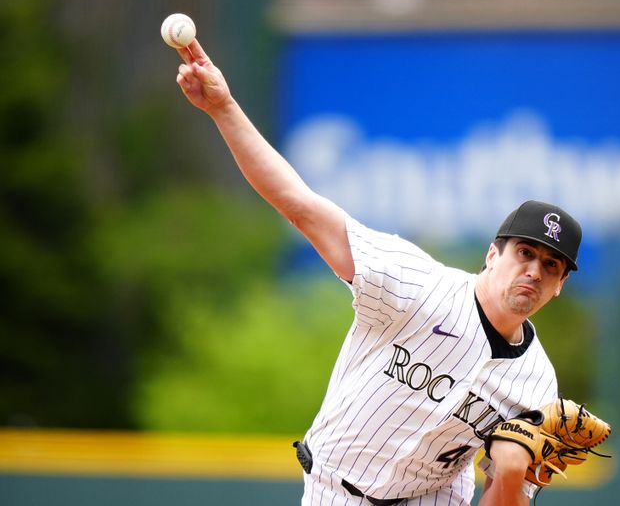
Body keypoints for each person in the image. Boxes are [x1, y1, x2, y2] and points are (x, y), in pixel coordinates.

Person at [173, 40, 583, 506]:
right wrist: (223, 108)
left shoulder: (536, 385)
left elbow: (505, 499)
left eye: (551, 265)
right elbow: (300, 206)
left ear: (560, 285)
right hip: (336, 489)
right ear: (492, 254)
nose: (534, 270)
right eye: (524, 253)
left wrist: (510, 478)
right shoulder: (414, 284)